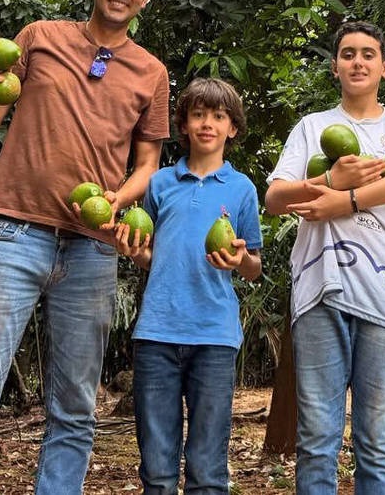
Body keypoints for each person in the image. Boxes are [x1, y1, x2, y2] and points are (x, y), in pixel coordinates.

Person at [0, 0, 170, 495]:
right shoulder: (39, 37)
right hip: (12, 232)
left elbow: (147, 166)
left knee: (76, 411)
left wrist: (116, 199)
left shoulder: (151, 72)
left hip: (93, 247)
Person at [265, 20, 385, 494]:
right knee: (316, 437)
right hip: (319, 289)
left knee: (378, 438)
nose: (357, 62)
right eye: (347, 54)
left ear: (384, 67)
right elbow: (275, 198)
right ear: (334, 67)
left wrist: (347, 200)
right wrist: (329, 181)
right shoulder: (312, 127)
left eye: (368, 54)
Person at [114, 77, 263, 495]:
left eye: (218, 116)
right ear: (183, 124)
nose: (207, 123)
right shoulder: (159, 183)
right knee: (157, 471)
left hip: (215, 337)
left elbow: (253, 267)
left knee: (207, 469)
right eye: (198, 115)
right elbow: (153, 255)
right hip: (157, 333)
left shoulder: (242, 189)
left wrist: (240, 260)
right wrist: (133, 251)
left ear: (232, 128)